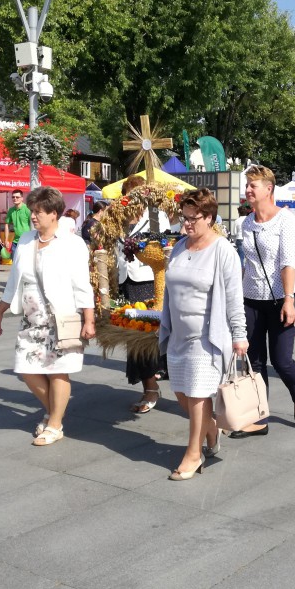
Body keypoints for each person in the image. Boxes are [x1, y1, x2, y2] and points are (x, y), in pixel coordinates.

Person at [0, 187, 95, 446]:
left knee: (59, 371)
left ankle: (55, 423)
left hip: (60, 317)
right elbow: (15, 278)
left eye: (38, 212)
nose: (33, 216)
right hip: (30, 319)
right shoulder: (26, 239)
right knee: (26, 368)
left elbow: (82, 284)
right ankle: (53, 411)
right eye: (32, 211)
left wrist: (89, 319)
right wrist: (1, 309)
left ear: (54, 213)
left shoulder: (72, 243)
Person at [159, 188, 248, 480]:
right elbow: (169, 293)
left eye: (192, 218)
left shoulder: (223, 250)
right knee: (183, 395)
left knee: (198, 396)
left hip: (206, 339)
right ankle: (211, 432)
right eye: (183, 218)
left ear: (209, 217)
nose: (186, 224)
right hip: (178, 336)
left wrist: (240, 335)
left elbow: (234, 298)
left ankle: (193, 455)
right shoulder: (181, 246)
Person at [237, 165, 295, 434]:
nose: (248, 190)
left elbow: (287, 262)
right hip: (250, 299)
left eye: (253, 185)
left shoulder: (286, 219)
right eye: (247, 185)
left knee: (281, 360)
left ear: (269, 189)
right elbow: (247, 263)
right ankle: (260, 417)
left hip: (279, 298)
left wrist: (289, 299)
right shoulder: (246, 222)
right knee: (254, 362)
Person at [117, 175, 169, 413]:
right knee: (133, 336)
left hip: (149, 280)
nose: (130, 201)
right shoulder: (120, 217)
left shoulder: (156, 218)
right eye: (127, 196)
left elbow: (163, 249)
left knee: (148, 335)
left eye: (135, 196)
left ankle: (152, 386)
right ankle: (148, 385)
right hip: (126, 280)